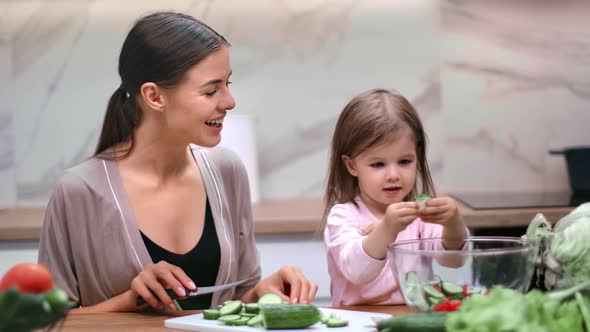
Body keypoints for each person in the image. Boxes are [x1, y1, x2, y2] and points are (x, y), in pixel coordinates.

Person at [38, 11, 317, 313]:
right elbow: (47, 322)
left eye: (227, 84)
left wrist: (261, 293)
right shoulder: (79, 192)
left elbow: (235, 302)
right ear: (154, 97)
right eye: (212, 90)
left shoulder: (228, 171)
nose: (229, 101)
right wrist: (131, 300)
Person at [321, 89, 468, 306]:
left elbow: (453, 259)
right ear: (352, 165)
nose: (393, 175)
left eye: (404, 161)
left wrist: (454, 223)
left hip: (414, 320)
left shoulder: (420, 217)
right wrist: (388, 228)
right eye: (378, 164)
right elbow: (356, 271)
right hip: (357, 322)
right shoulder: (344, 216)